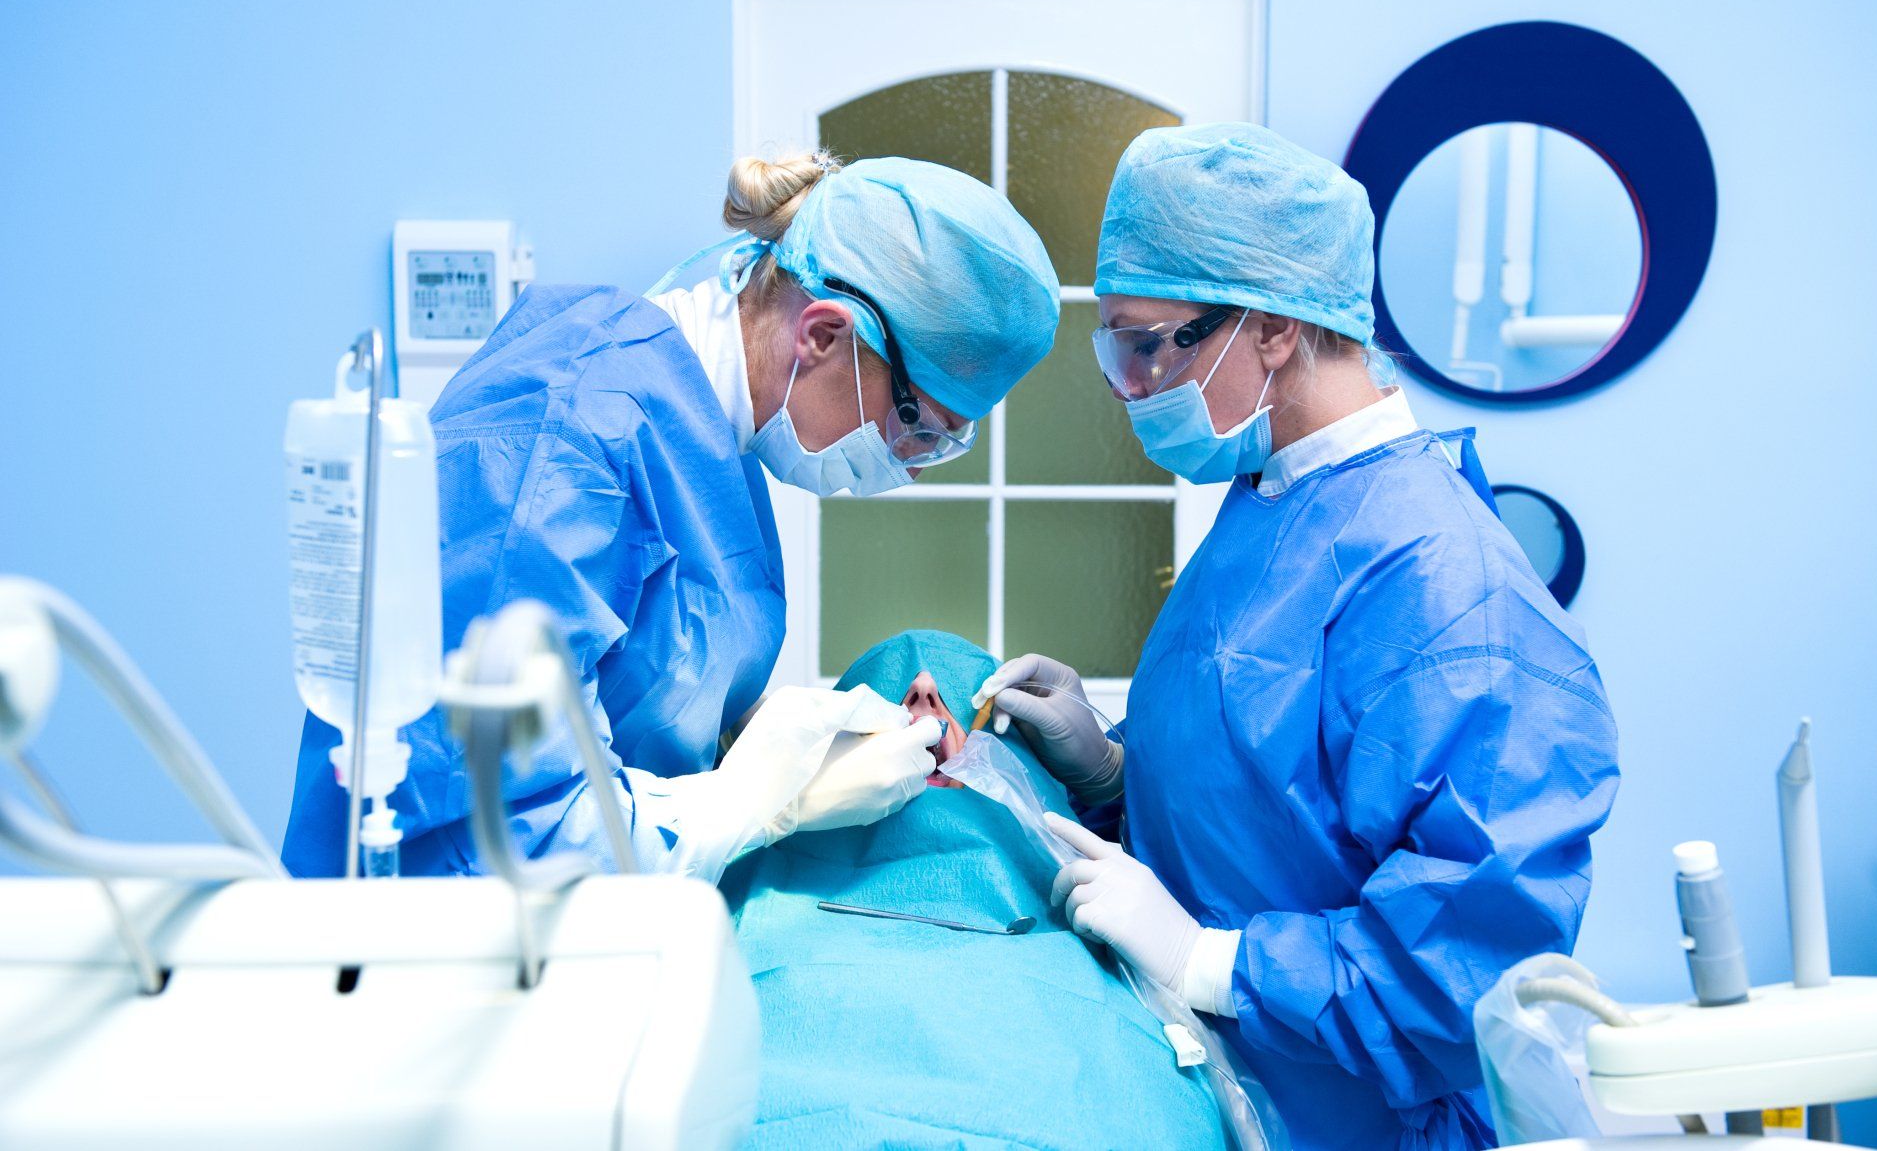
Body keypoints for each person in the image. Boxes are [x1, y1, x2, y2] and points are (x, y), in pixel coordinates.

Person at [972, 123, 1620, 1150]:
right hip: (1219, 1088)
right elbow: (1273, 810)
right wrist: (1109, 765)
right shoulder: (1271, 505)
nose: (1131, 385)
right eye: (1118, 349)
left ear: (1271, 331)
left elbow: (1472, 975)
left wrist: (1208, 963)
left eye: (1151, 344)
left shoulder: (1451, 595)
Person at [282, 152, 1060, 877]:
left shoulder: (711, 443)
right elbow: (484, 834)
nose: (915, 461)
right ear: (824, 334)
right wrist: (768, 800)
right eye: (916, 422)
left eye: (945, 442)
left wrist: (773, 736)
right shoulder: (567, 438)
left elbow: (650, 690)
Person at [721, 630, 1233, 1150]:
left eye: (963, 695)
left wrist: (1110, 776)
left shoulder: (1117, 922)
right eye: (883, 693)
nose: (922, 687)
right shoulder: (734, 904)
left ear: (1028, 772)